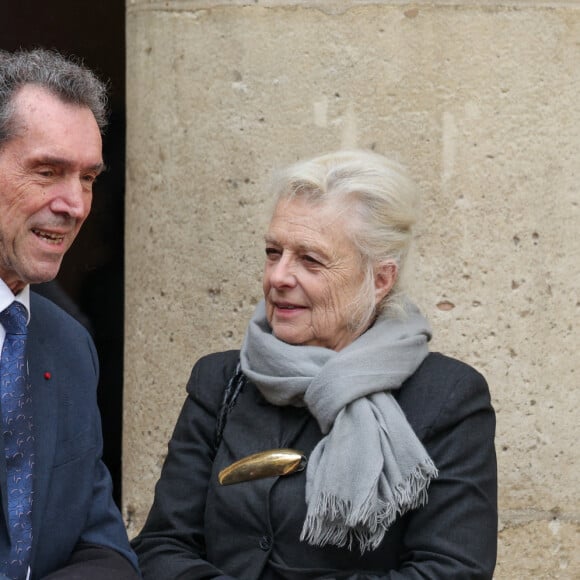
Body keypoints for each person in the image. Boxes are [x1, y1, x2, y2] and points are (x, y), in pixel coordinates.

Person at [132, 150, 498, 578]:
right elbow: (161, 546)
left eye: (310, 260)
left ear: (380, 279)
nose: (279, 277)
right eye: (273, 252)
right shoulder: (221, 382)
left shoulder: (447, 397)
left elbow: (452, 570)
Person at [0, 49, 139, 579]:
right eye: (48, 171)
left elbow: (106, 550)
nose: (75, 204)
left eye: (87, 178)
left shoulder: (69, 344)